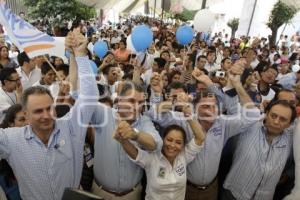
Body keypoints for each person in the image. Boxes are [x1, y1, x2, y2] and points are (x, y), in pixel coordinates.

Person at [0, 31, 99, 200]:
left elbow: (89, 97)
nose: (46, 115)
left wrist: (81, 55)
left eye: (49, 108)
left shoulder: (70, 126)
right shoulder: (11, 139)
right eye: (38, 111)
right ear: (26, 114)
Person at [91, 81, 163, 200]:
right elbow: (81, 102)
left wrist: (135, 135)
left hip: (132, 194)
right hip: (101, 193)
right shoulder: (103, 114)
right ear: (119, 100)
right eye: (131, 101)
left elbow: (156, 144)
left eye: (140, 102)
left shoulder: (144, 121)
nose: (136, 106)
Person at [116, 122, 205, 200]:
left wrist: (189, 115)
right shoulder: (152, 158)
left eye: (178, 142)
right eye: (169, 140)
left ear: (183, 145)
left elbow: (200, 137)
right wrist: (123, 140)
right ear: (163, 139)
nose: (173, 145)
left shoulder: (184, 156)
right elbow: (135, 153)